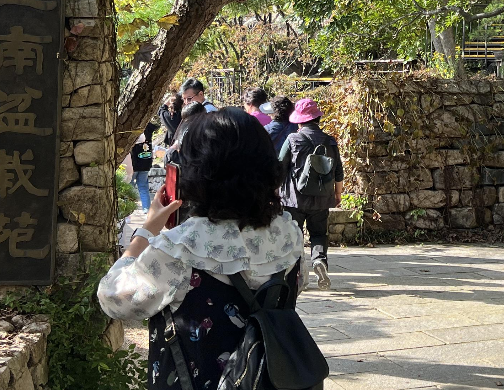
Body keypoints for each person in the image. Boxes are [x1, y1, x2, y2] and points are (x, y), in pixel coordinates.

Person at [98, 109, 308, 390]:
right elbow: (295, 285)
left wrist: (147, 231)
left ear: (196, 172)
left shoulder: (179, 249)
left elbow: (113, 299)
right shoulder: (288, 235)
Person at [279, 98, 343, 290]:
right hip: (322, 199)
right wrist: (337, 194)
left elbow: (280, 167)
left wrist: (274, 192)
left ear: (300, 121)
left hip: (294, 199)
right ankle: (319, 260)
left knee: (293, 236)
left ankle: (296, 275)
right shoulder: (330, 141)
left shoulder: (293, 139)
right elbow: (338, 171)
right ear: (317, 119)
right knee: (318, 234)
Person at [130, 122, 157, 211]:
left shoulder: (132, 129)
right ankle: (147, 209)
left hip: (133, 164)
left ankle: (127, 211)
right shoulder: (149, 131)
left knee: (129, 187)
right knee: (143, 187)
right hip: (146, 163)